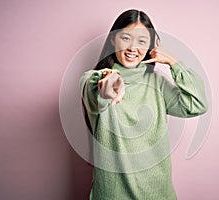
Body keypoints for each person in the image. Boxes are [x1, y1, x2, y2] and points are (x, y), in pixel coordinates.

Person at [80, 9, 208, 200]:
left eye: (141, 41)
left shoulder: (158, 84)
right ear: (114, 40)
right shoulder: (92, 79)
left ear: (149, 45)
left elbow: (197, 104)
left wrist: (174, 62)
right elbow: (98, 89)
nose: (133, 48)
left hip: (158, 193)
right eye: (126, 38)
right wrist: (109, 81)